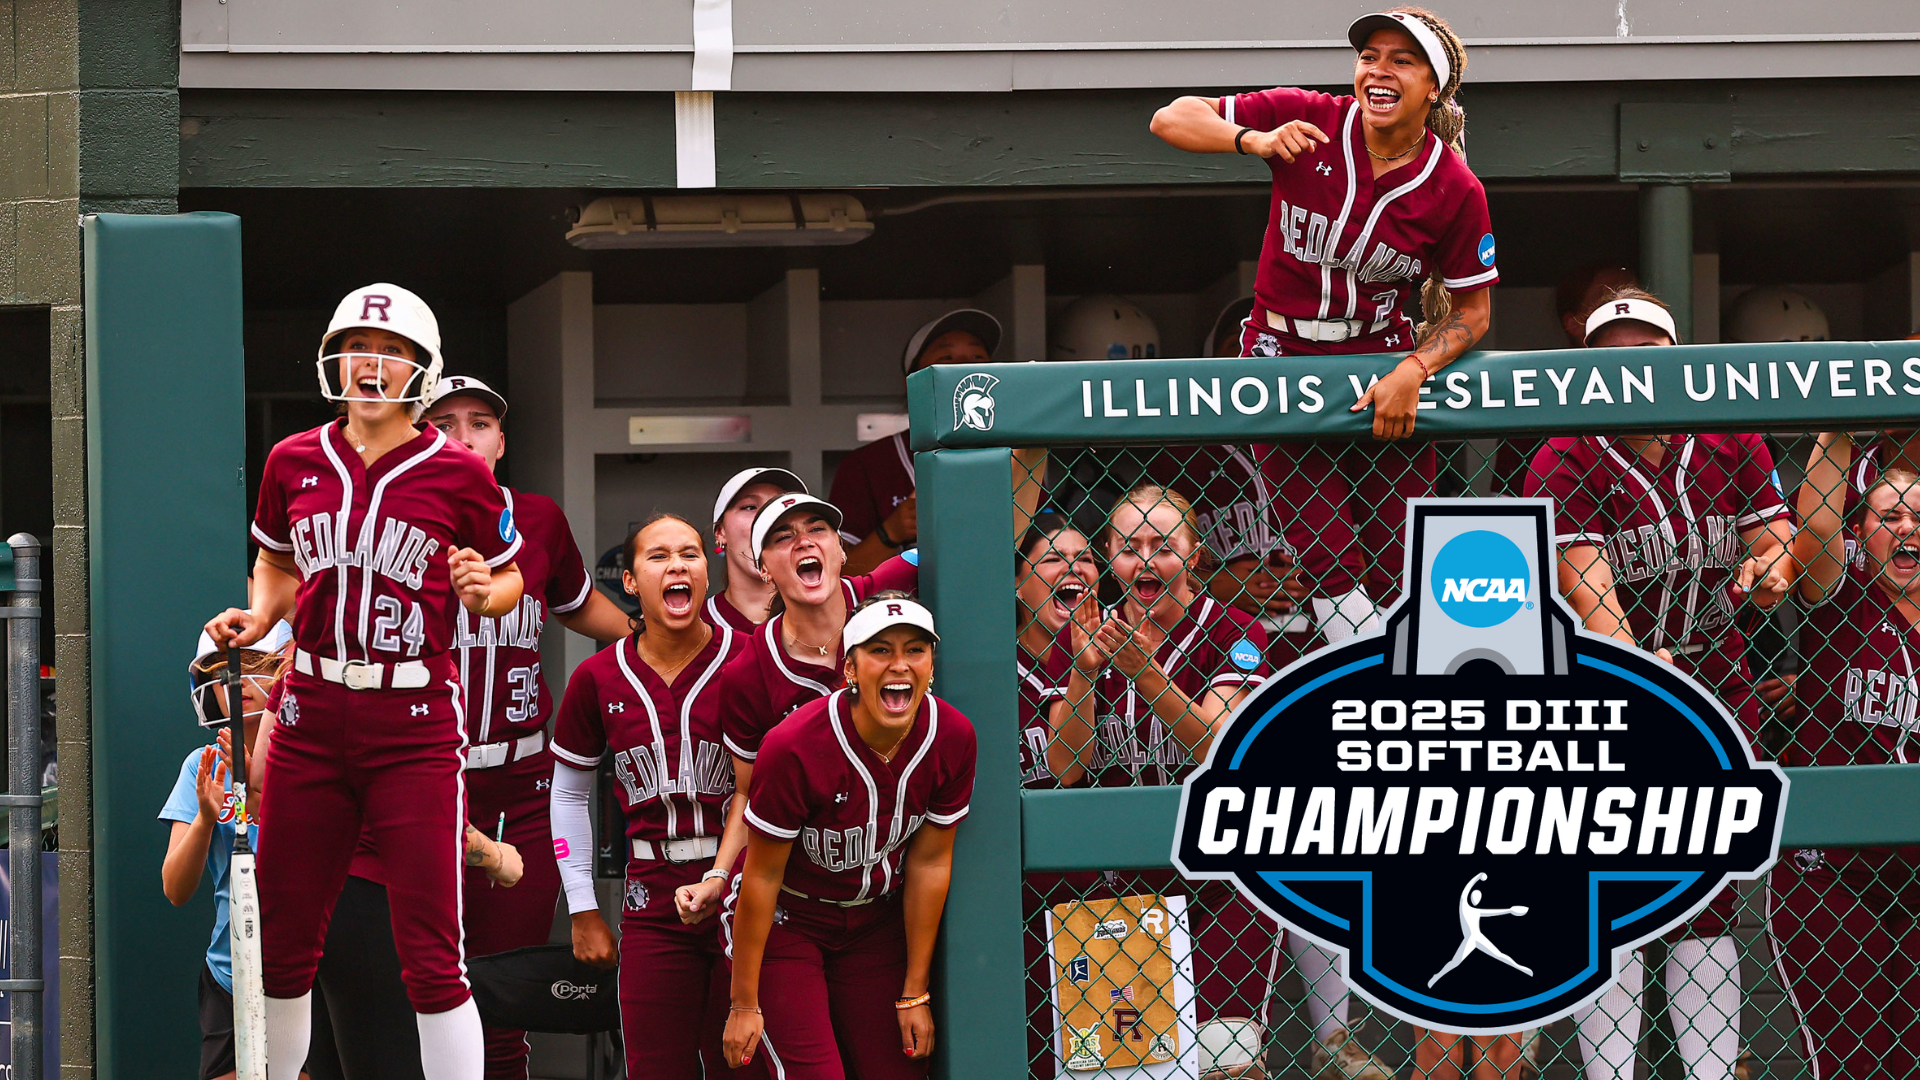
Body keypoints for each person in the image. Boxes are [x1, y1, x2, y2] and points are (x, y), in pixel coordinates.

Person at [205, 283, 528, 1080]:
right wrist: (258, 616)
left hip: (412, 717)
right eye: (358, 346)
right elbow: (278, 562)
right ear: (333, 356)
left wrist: (487, 592)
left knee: (430, 954)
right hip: (310, 708)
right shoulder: (294, 459)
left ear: (421, 369)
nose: (372, 363)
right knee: (283, 944)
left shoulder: (457, 473)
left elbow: (510, 572)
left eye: (391, 351)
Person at [1151, 7, 1497, 645]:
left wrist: (1415, 369)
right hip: (1280, 350)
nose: (1379, 71)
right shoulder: (1309, 117)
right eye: (1370, 57)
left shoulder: (1454, 185)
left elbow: (1473, 313)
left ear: (1434, 87)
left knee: (1402, 561)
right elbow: (1169, 116)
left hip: (1382, 359)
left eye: (1402, 60)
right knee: (1330, 555)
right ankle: (1373, 679)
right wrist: (1250, 140)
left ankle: (1421, 694)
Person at [1524, 288, 1791, 1080]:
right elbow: (1592, 597)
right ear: (1589, 372)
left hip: (1715, 668)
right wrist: (1643, 672)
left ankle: (1712, 1070)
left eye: (1649, 356)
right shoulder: (1562, 454)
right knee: (1615, 896)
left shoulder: (1728, 433)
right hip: (1605, 684)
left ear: (1675, 362)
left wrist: (1769, 569)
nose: (1633, 374)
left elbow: (1776, 539)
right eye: (1614, 361)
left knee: (1706, 888)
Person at [416, 375, 629, 1078]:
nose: (462, 436)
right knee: (414, 986)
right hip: (417, 780)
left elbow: (575, 604)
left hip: (520, 787)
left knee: (501, 994)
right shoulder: (394, 524)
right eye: (442, 423)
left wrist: (648, 638)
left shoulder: (536, 519)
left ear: (501, 442)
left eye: (479, 423)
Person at [722, 594, 976, 1079]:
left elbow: (929, 863)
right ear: (851, 668)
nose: (900, 665)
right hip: (787, 918)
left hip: (873, 923)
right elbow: (761, 875)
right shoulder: (794, 744)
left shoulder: (953, 736)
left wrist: (914, 991)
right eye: (880, 650)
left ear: (932, 665)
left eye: (915, 650)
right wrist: (743, 1003)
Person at [548, 513, 753, 1078]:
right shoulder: (596, 677)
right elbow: (568, 796)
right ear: (632, 582)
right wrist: (584, 906)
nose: (676, 564)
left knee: (743, 1063)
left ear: (706, 571)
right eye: (657, 556)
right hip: (650, 899)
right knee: (655, 1065)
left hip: (742, 885)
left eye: (688, 553)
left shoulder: (751, 659)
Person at [1771, 434, 1920, 1079]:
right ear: (1865, 533)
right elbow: (1820, 520)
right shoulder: (1846, 598)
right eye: (1889, 517)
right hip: (1828, 871)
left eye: (1919, 518)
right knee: (1857, 1061)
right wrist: (1842, 420)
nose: (1906, 528)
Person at [165, 625, 314, 1080]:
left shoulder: (312, 758)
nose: (238, 682)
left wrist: (260, 788)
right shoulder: (202, 764)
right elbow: (175, 888)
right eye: (224, 671)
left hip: (306, 966)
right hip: (230, 972)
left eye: (253, 665)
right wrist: (207, 819)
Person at [832, 309, 1001, 575]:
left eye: (977, 357)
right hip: (899, 610)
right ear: (912, 383)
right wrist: (893, 531)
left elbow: (1047, 550)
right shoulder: (867, 465)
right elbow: (840, 575)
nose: (964, 367)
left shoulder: (1014, 454)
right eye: (946, 357)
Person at [1489, 263, 1638, 496]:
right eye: (1606, 298)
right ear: (1573, 322)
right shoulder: (1537, 392)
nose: (1622, 306)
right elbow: (1508, 499)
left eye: (1634, 295)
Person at [706, 467, 809, 632]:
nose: (767, 518)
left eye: (778, 507)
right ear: (720, 532)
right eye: (749, 507)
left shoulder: (828, 614)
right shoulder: (696, 626)